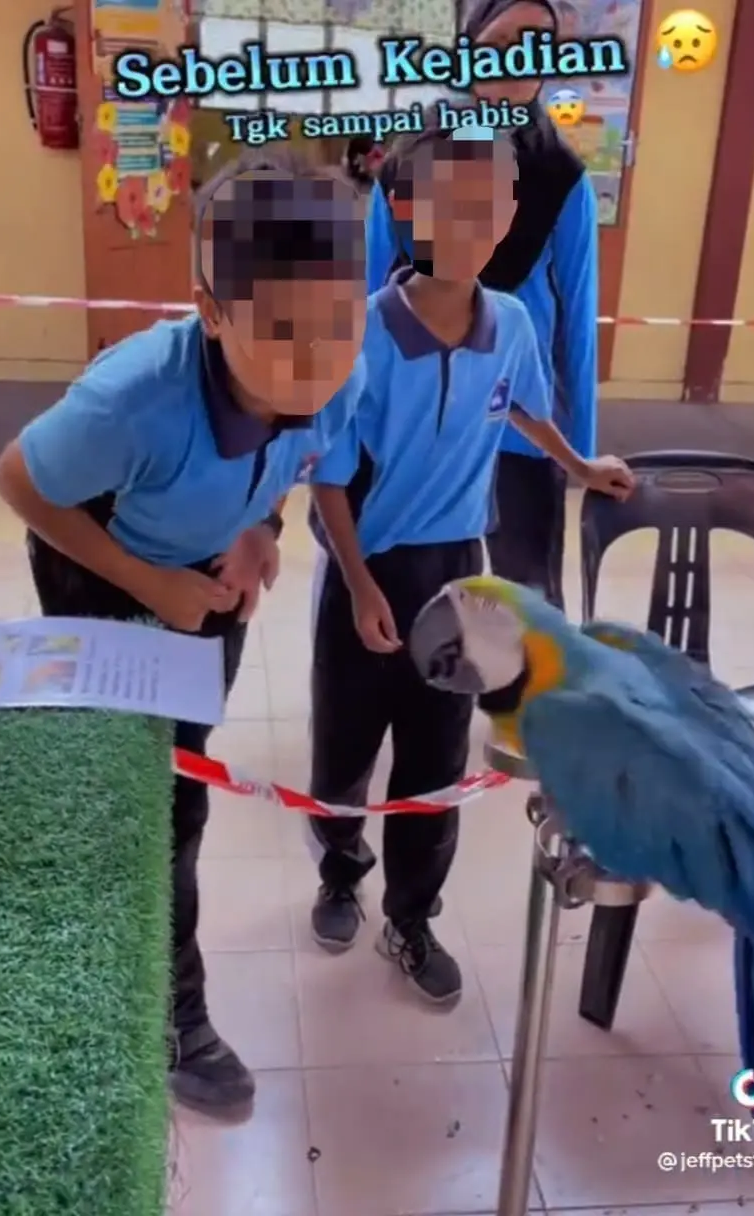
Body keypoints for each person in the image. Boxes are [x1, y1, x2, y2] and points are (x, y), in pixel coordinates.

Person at [0, 149, 367, 1115]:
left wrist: (260, 530)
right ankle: (171, 1020)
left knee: (181, 769)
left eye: (341, 320)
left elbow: (299, 447)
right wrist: (147, 584)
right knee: (153, 811)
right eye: (282, 332)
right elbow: (20, 484)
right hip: (104, 572)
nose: (318, 359)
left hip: (202, 577)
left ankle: (147, 957)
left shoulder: (337, 370)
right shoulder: (133, 401)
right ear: (210, 311)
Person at [305, 122, 633, 1005]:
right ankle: (340, 873)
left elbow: (526, 411)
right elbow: (328, 485)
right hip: (366, 573)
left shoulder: (515, 323)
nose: (471, 225)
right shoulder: (362, 337)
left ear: (511, 216)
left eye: (488, 207)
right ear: (406, 212)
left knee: (437, 759)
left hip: (460, 573)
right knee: (343, 752)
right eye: (449, 207)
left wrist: (579, 465)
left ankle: (411, 918)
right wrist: (364, 587)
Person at [367, 0, 598, 609]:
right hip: (417, 410)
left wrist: (583, 449)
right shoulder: (411, 158)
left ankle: (519, 705)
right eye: (502, 37)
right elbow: (365, 293)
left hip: (523, 425)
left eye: (538, 39)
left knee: (527, 602)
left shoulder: (561, 174)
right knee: (411, 580)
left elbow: (577, 317)